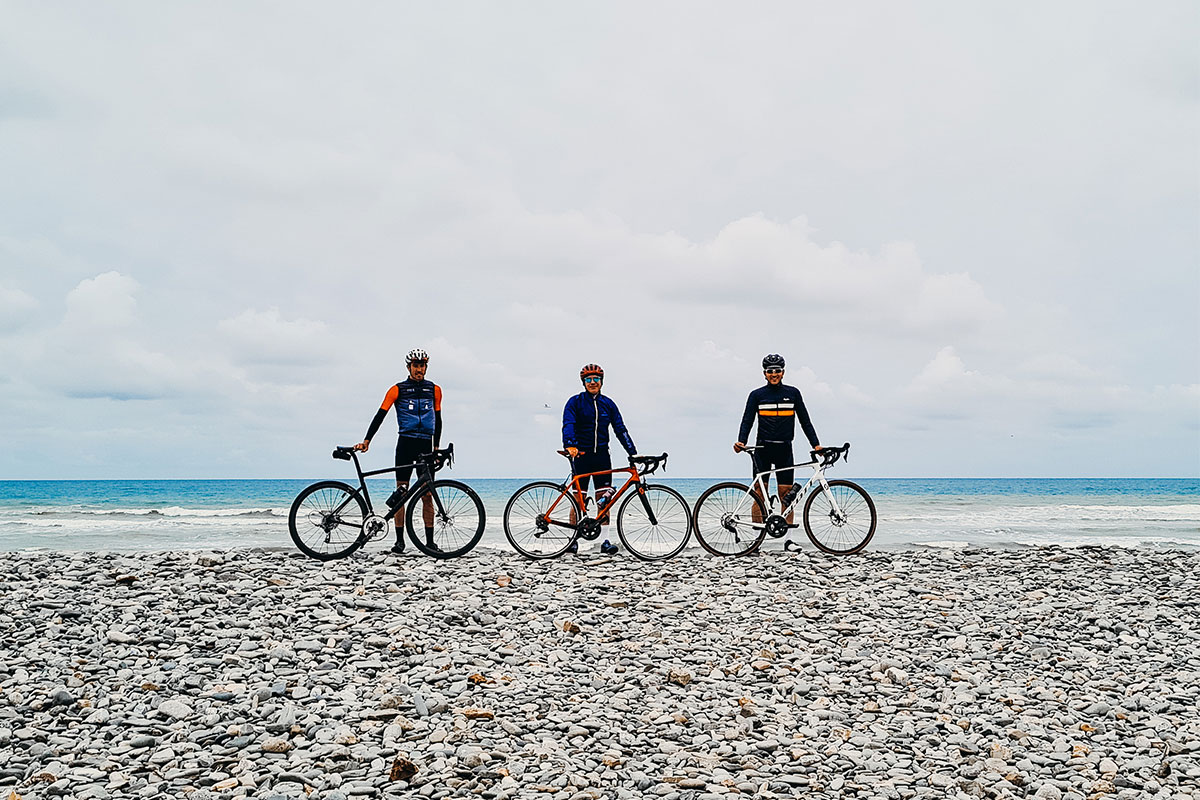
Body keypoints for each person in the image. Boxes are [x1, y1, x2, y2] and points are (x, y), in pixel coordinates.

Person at [354, 348, 442, 554]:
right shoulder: (397, 389)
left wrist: (436, 447)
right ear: (409, 367)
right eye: (416, 365)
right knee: (401, 492)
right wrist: (367, 440)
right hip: (405, 444)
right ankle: (400, 542)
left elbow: (438, 420)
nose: (419, 369)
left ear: (426, 367)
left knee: (427, 494)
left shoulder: (434, 390)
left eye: (422, 365)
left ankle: (429, 542)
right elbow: (380, 415)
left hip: (426, 445)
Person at [734, 354, 821, 522]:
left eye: (777, 371)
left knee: (787, 495)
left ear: (783, 372)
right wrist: (741, 441)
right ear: (764, 373)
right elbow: (747, 420)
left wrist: (816, 444)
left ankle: (788, 540)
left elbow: (805, 421)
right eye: (770, 371)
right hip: (762, 450)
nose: (774, 374)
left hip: (784, 449)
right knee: (759, 493)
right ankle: (755, 541)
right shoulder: (756, 395)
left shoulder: (793, 393)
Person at [562, 363, 636, 553]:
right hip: (581, 456)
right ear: (583, 382)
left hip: (602, 456)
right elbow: (568, 423)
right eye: (588, 379)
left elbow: (620, 429)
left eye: (596, 379)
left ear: (601, 381)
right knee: (579, 500)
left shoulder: (608, 404)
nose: (592, 382)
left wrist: (632, 453)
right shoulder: (575, 402)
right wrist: (570, 445)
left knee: (604, 499)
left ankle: (604, 542)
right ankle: (573, 541)